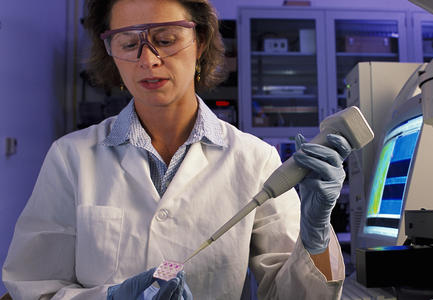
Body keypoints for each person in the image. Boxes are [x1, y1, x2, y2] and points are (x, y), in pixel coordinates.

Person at [2, 0, 349, 299]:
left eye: (165, 40)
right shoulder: (71, 157)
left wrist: (315, 235)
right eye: (127, 43)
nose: (148, 60)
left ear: (199, 41)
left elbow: (290, 296)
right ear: (111, 54)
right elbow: (33, 289)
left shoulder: (255, 160)